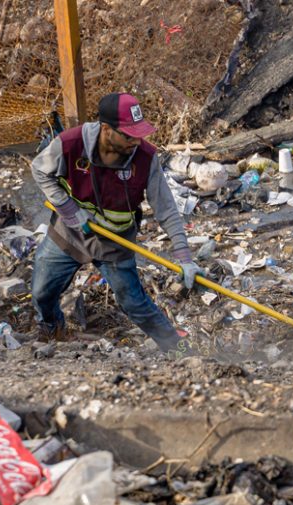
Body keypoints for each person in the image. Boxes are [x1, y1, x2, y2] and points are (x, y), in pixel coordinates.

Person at [31, 92, 203, 352]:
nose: (136, 140)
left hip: (116, 240)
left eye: (139, 133)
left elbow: (166, 209)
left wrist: (184, 257)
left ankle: (177, 349)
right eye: (128, 134)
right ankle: (52, 329)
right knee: (42, 291)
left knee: (134, 302)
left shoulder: (145, 158)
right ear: (105, 129)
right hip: (70, 233)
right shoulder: (70, 144)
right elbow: (39, 170)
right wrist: (69, 210)